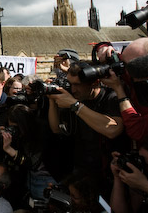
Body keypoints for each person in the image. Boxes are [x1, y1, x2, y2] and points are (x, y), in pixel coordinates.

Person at [47, 61, 126, 191]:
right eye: (70, 84)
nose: (73, 89)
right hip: (81, 169)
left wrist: (76, 106)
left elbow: (113, 129)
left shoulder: (110, 97)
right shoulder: (74, 98)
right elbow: (56, 128)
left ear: (94, 83)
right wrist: (52, 100)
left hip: (107, 173)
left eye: (77, 85)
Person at [99, 38, 148, 142]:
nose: (122, 68)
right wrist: (104, 49)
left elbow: (138, 131)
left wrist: (119, 90)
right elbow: (104, 48)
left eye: (125, 65)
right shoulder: (135, 73)